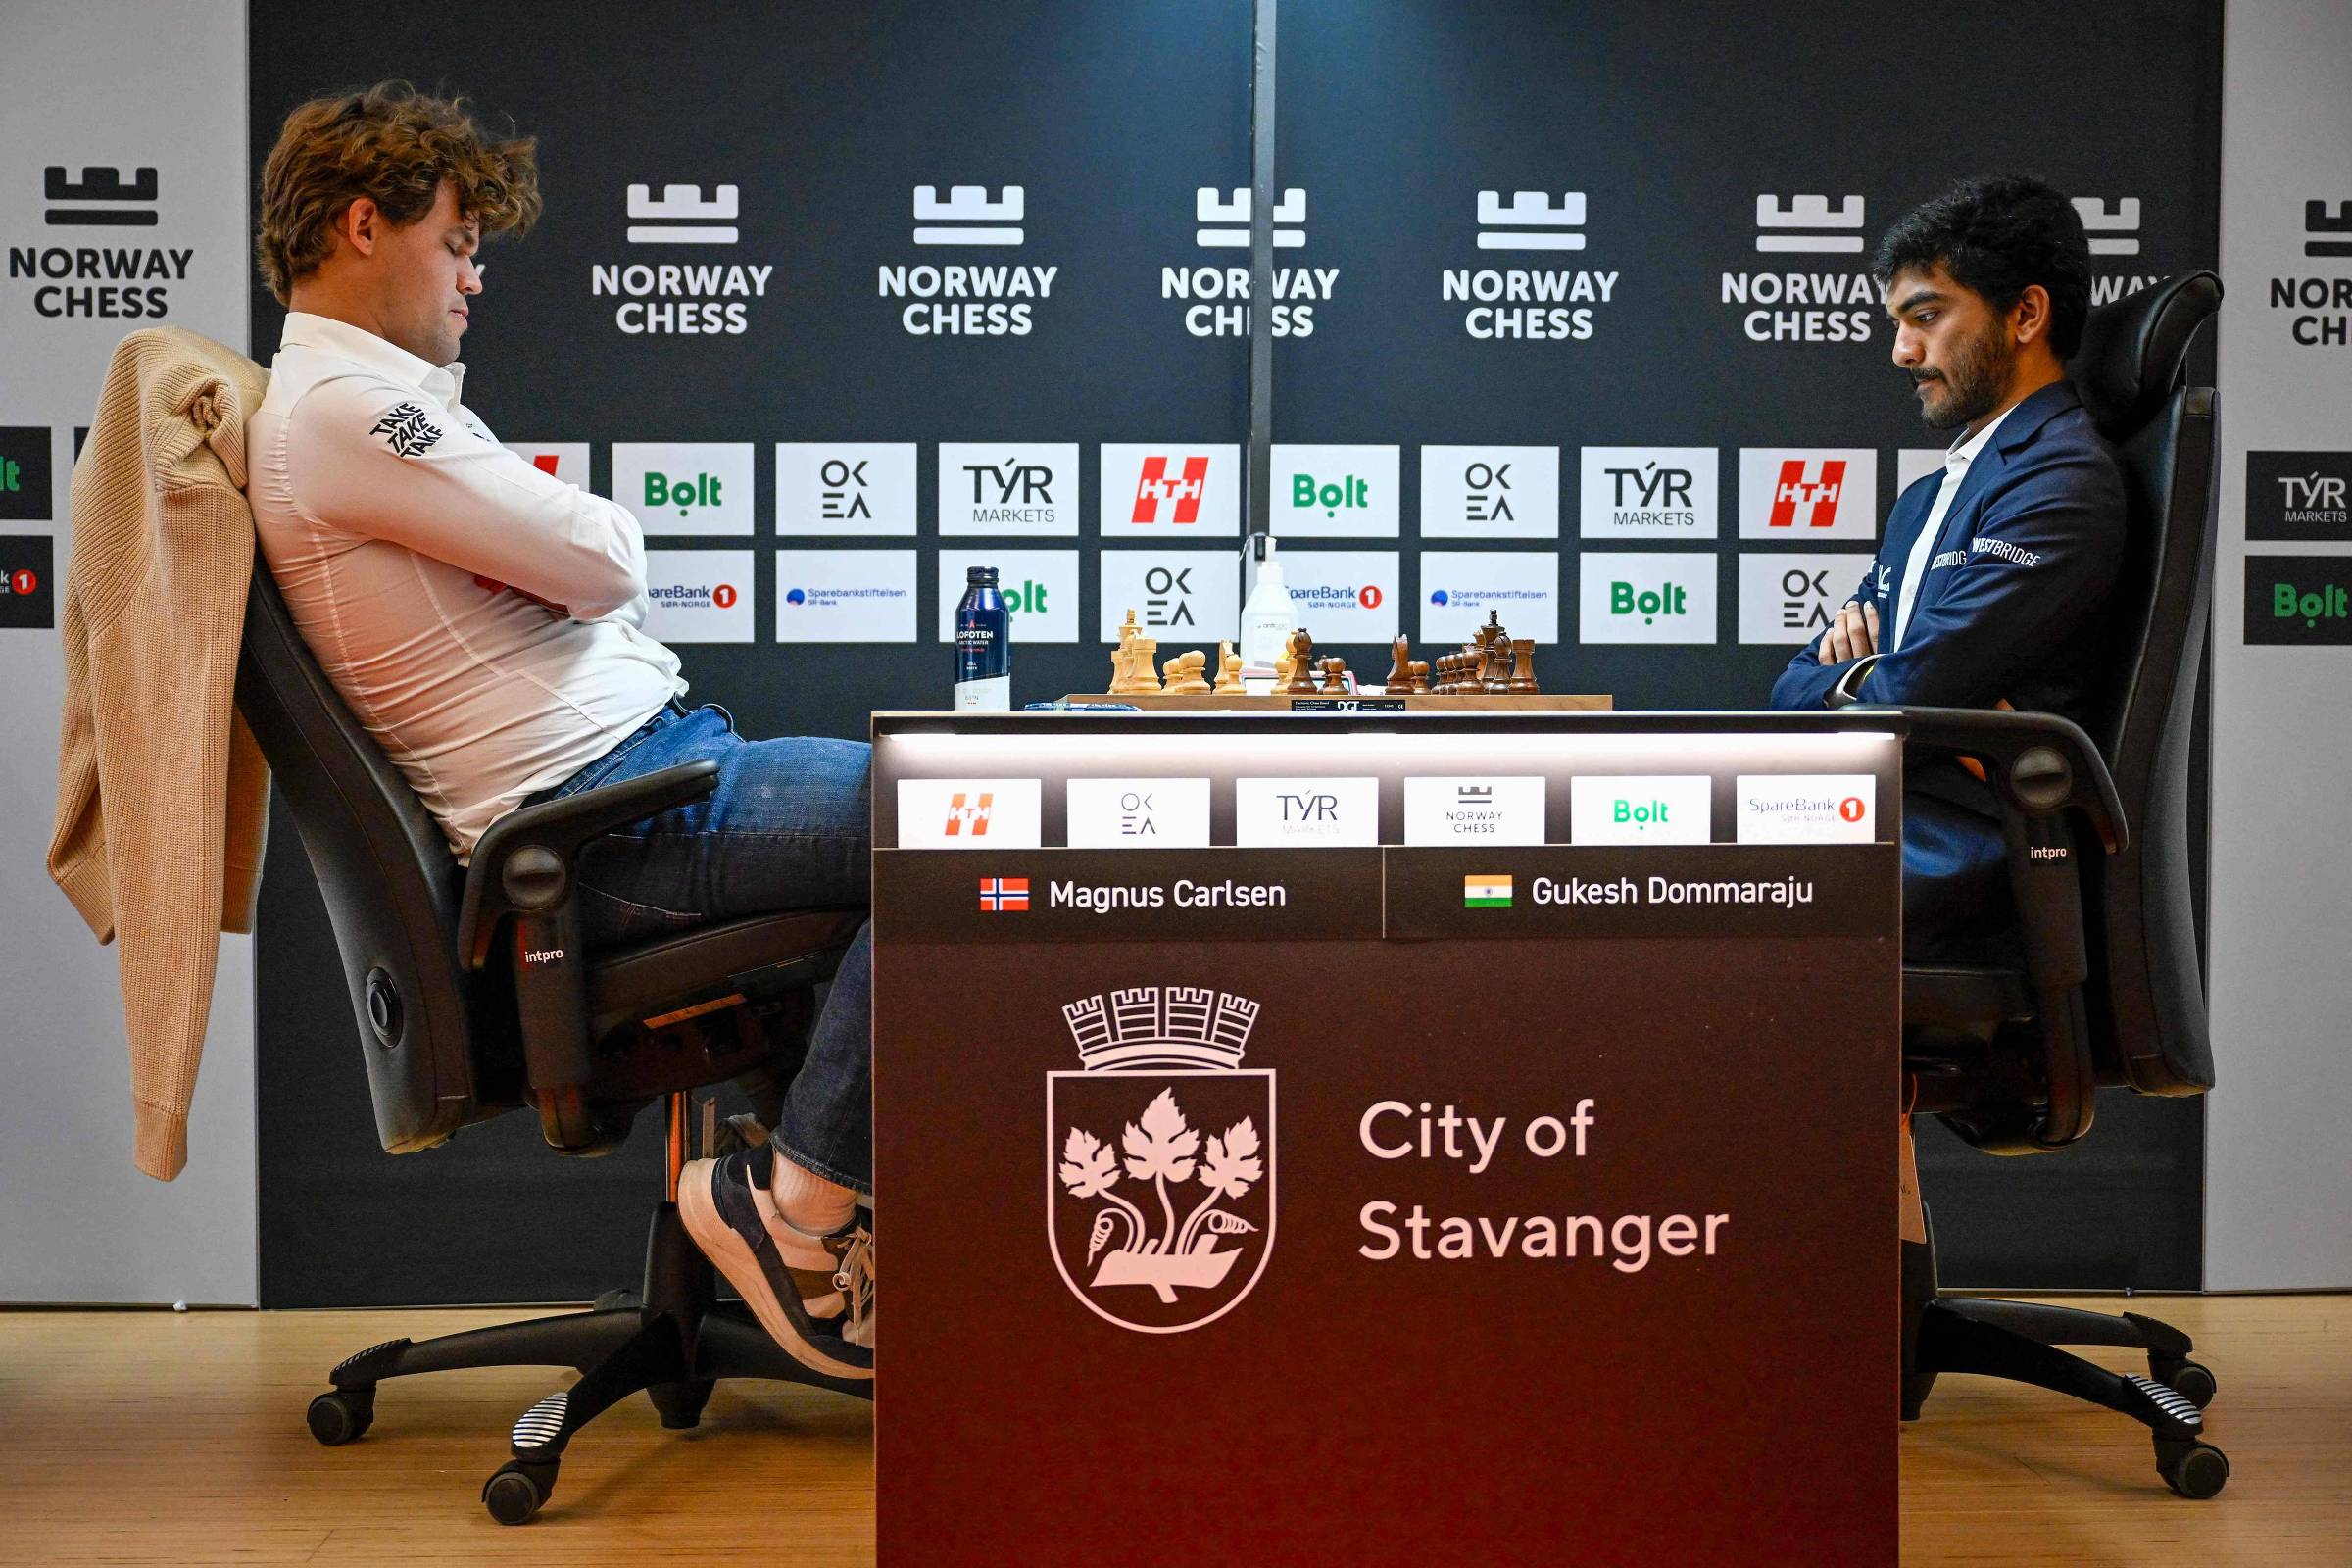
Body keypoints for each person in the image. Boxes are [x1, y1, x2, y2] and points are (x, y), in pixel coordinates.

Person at [246, 83, 872, 1380]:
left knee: (961, 819)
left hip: (635, 792)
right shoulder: (343, 408)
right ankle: (799, 1210)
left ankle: (808, 1198)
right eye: (455, 242)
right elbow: (603, 559)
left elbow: (576, 568)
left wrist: (563, 554)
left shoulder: (356, 405)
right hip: (617, 819)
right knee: (959, 832)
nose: (474, 277)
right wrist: (576, 547)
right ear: (363, 225)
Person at [1771, 173, 2125, 961]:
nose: (1902, 352)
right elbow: (1792, 687)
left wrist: (1861, 677)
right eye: (1898, 324)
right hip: (1883, 818)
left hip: (1966, 856)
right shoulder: (1925, 498)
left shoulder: (2060, 480)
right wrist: (1866, 680)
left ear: (2025, 314)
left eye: (1926, 316)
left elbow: (1910, 699)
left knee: (1673, 891)